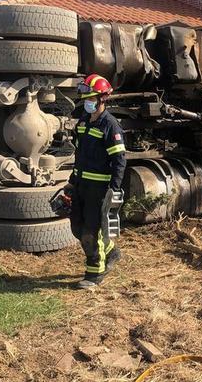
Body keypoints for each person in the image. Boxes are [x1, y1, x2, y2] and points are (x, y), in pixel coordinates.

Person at [68, 74, 126, 289]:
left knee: (91, 231)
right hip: (81, 184)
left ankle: (95, 273)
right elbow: (80, 154)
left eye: (91, 98)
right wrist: (72, 180)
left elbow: (119, 160)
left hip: (99, 188)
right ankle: (110, 251)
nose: (87, 103)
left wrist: (114, 189)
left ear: (102, 99)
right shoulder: (84, 121)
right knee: (77, 227)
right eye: (85, 99)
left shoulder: (110, 126)